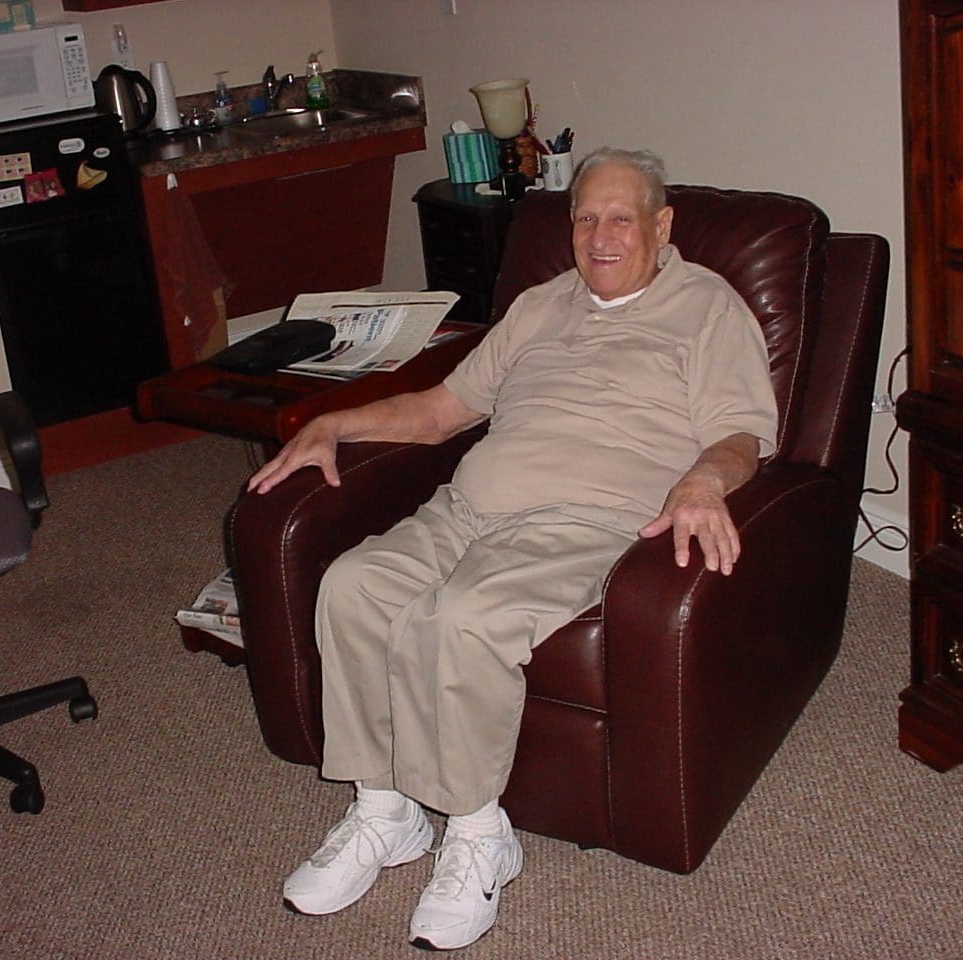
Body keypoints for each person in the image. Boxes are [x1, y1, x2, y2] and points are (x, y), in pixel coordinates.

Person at [247, 147, 778, 950]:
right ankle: (385, 812)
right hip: (470, 509)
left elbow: (741, 434)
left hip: (586, 520)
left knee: (463, 616)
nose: (600, 236)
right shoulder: (539, 306)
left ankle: (477, 832)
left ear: (663, 225)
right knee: (354, 585)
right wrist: (333, 423)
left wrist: (705, 481)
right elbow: (441, 411)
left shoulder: (708, 308)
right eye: (586, 218)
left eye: (621, 218)